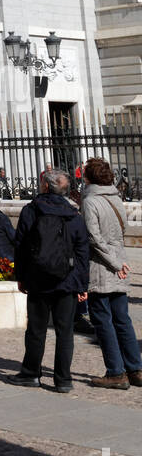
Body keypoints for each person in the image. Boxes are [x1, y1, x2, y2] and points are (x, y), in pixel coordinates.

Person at [9, 167, 90, 393]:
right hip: (68, 281)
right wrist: (83, 285)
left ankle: (31, 373)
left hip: (37, 279)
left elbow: (21, 247)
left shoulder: (31, 211)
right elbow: (83, 252)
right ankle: (63, 379)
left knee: (36, 329)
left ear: (45, 186)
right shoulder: (74, 216)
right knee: (65, 332)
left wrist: (21, 277)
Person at [81, 157, 142, 390]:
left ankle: (116, 372)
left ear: (89, 177)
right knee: (122, 319)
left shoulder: (91, 201)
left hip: (102, 266)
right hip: (120, 263)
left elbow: (93, 239)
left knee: (102, 320)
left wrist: (114, 263)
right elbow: (122, 229)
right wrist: (119, 261)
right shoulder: (116, 198)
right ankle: (135, 368)